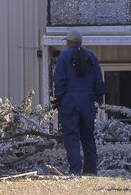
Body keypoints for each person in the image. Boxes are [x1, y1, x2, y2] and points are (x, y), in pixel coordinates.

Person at [53, 30, 105, 175]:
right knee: (88, 136)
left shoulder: (64, 56)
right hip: (87, 101)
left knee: (71, 136)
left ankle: (75, 170)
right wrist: (99, 97)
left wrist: (58, 97)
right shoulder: (91, 56)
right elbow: (98, 79)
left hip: (69, 102)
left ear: (68, 42)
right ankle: (91, 170)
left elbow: (59, 79)